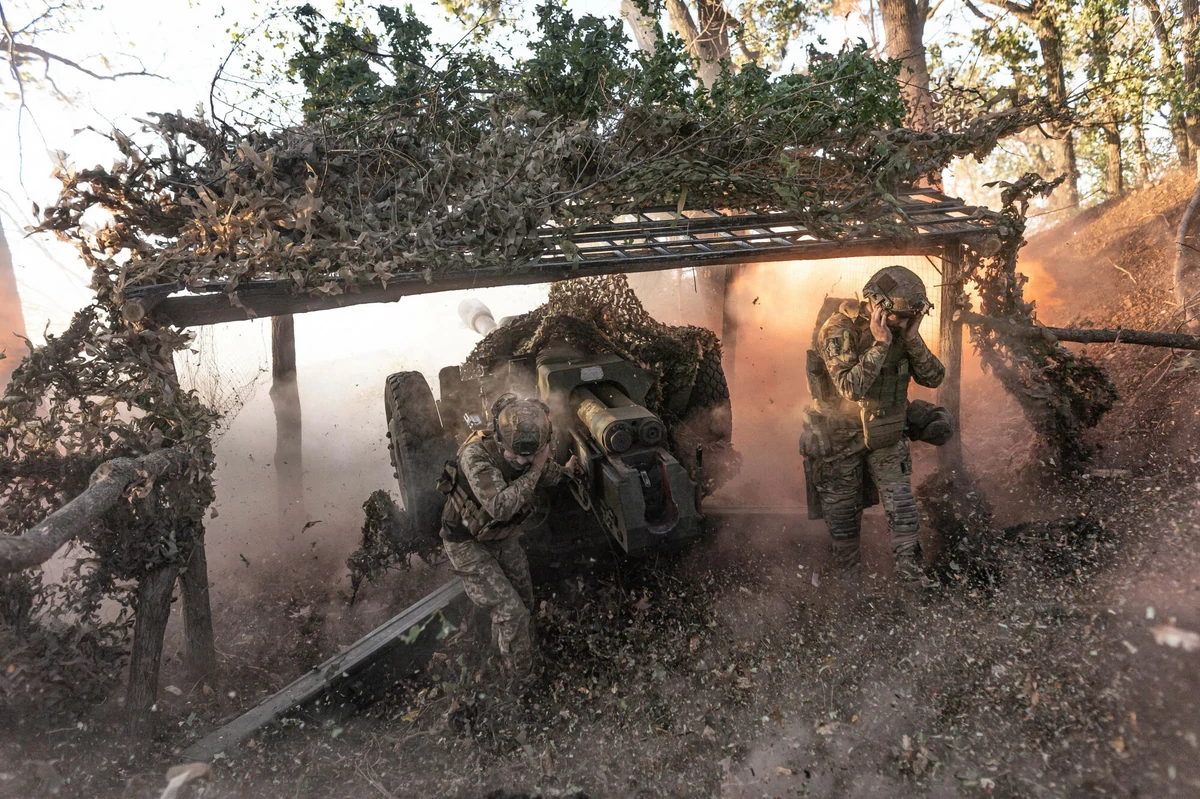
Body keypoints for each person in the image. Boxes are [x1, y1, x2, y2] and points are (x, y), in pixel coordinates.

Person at [801, 266, 946, 582]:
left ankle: (911, 583)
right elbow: (851, 389)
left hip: (885, 432)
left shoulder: (902, 329)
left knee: (904, 512)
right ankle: (849, 591)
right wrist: (881, 344)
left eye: (912, 316)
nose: (903, 322)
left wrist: (911, 338)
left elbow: (935, 376)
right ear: (875, 304)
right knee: (843, 521)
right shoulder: (838, 330)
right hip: (840, 438)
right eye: (899, 316)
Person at [437, 394, 577, 683]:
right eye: (516, 454)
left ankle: (515, 653)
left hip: (500, 537)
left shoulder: (530, 451)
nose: (523, 461)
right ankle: (520, 680)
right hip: (466, 542)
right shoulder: (476, 455)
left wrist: (569, 472)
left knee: (524, 602)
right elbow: (500, 506)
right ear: (499, 440)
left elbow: (548, 474)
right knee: (511, 612)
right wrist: (536, 467)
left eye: (532, 454)